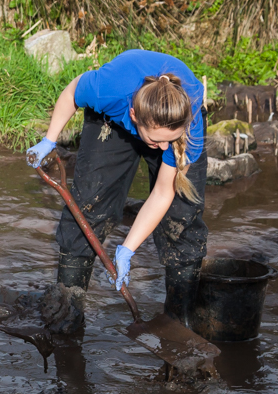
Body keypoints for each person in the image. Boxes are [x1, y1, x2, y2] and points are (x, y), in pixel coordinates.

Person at [26, 49, 207, 325]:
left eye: (169, 141)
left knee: (181, 219)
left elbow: (162, 193)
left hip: (169, 121)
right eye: (156, 141)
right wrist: (49, 140)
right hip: (111, 122)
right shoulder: (108, 90)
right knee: (88, 205)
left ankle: (178, 321)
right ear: (134, 116)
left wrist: (127, 249)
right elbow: (71, 94)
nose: (163, 149)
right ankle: (67, 315)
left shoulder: (185, 127)